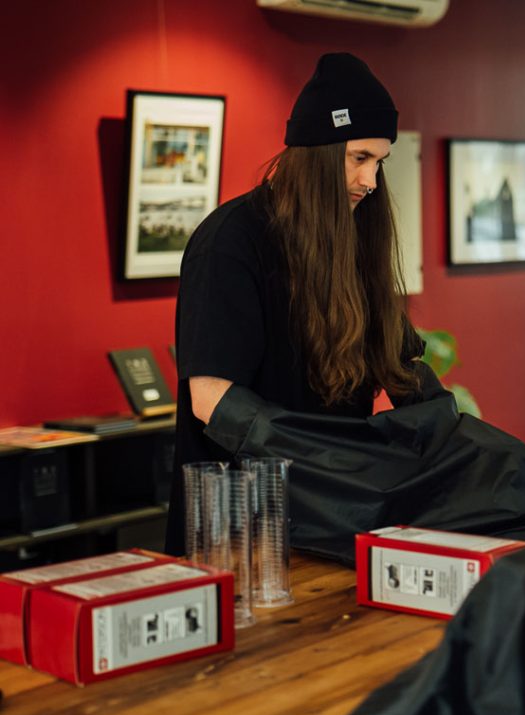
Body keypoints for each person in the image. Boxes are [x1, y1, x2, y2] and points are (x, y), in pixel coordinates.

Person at [167, 53, 423, 555]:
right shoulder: (231, 240)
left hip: (334, 516)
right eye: (359, 158)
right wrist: (321, 459)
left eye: (380, 162)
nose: (371, 182)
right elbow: (211, 398)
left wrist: (450, 439)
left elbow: (399, 364)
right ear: (319, 152)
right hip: (240, 526)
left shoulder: (353, 238)